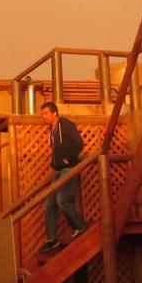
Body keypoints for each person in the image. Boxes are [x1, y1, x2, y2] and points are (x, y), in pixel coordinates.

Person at [38, 101, 87, 254]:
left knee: (62, 201)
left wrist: (68, 158)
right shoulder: (51, 130)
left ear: (54, 113)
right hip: (58, 170)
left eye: (46, 113)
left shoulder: (65, 125)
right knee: (49, 204)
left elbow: (79, 143)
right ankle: (52, 239)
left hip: (68, 169)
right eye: (42, 114)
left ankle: (79, 227)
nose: (44, 116)